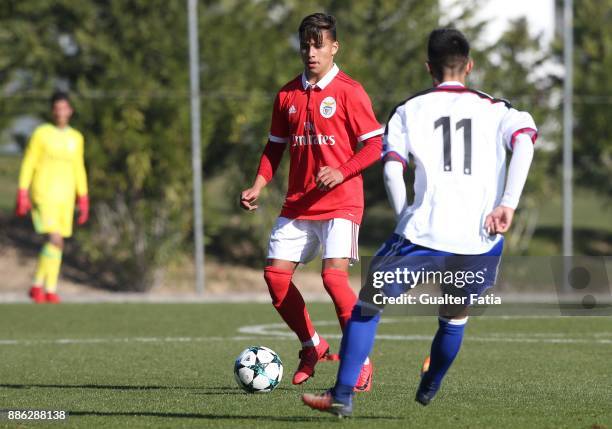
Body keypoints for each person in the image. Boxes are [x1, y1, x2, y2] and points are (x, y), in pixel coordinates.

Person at [302, 27, 537, 416]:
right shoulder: (498, 110)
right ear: (470, 65)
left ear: (428, 67)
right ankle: (432, 382)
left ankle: (342, 394)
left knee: (366, 307)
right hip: (479, 238)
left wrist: (403, 216)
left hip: (422, 233)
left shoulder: (409, 111)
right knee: (454, 318)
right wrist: (507, 203)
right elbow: (526, 141)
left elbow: (393, 168)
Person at [240, 13, 384, 390]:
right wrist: (258, 184)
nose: (311, 52)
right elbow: (274, 147)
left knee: (333, 279)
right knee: (275, 278)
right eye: (305, 45)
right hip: (298, 203)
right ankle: (312, 345)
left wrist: (342, 171)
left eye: (318, 45)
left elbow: (374, 145)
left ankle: (360, 364)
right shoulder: (287, 94)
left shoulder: (350, 91)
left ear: (334, 47)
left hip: (341, 202)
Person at [15, 91, 89, 304]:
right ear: (52, 111)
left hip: (65, 198)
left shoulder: (76, 138)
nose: (60, 112)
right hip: (43, 193)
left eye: (64, 108)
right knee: (54, 239)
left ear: (70, 111)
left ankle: (40, 286)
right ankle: (48, 289)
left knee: (58, 244)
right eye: (57, 108)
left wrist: (83, 198)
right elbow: (29, 162)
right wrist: (23, 191)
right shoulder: (42, 134)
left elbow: (79, 169)